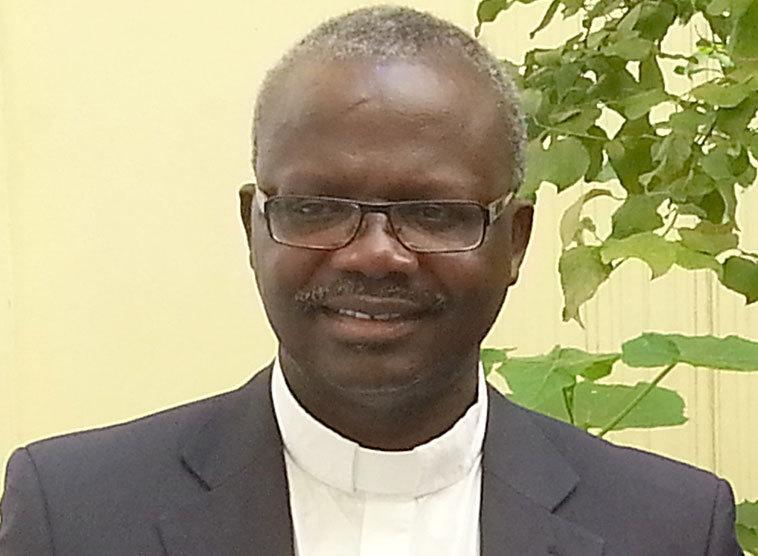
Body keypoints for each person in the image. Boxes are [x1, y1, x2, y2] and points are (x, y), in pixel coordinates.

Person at [0, 6, 743, 556]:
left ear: (515, 241)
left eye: (434, 213)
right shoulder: (75, 514)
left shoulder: (669, 528)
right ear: (253, 227)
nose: (375, 256)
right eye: (318, 207)